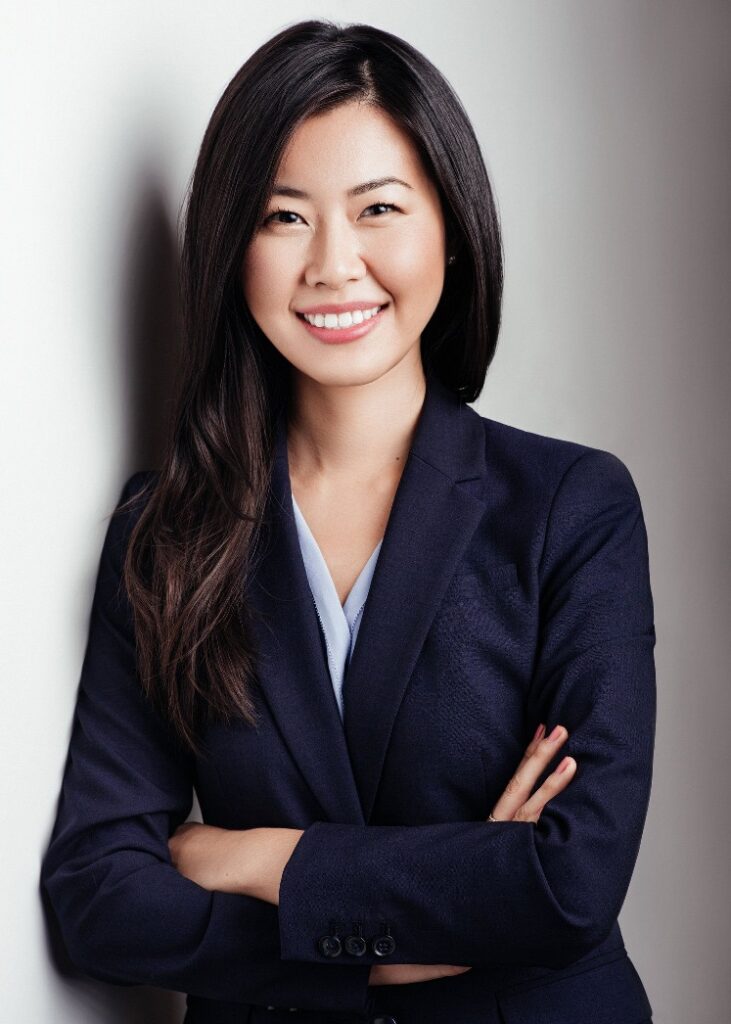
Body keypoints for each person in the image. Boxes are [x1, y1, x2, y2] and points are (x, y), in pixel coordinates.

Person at [40, 19, 656, 1024]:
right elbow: (99, 895)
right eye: (284, 217)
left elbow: (567, 882)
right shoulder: (166, 534)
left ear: (448, 227)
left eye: (377, 208)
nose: (332, 264)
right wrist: (392, 946)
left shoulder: (570, 507)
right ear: (232, 249)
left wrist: (254, 855)